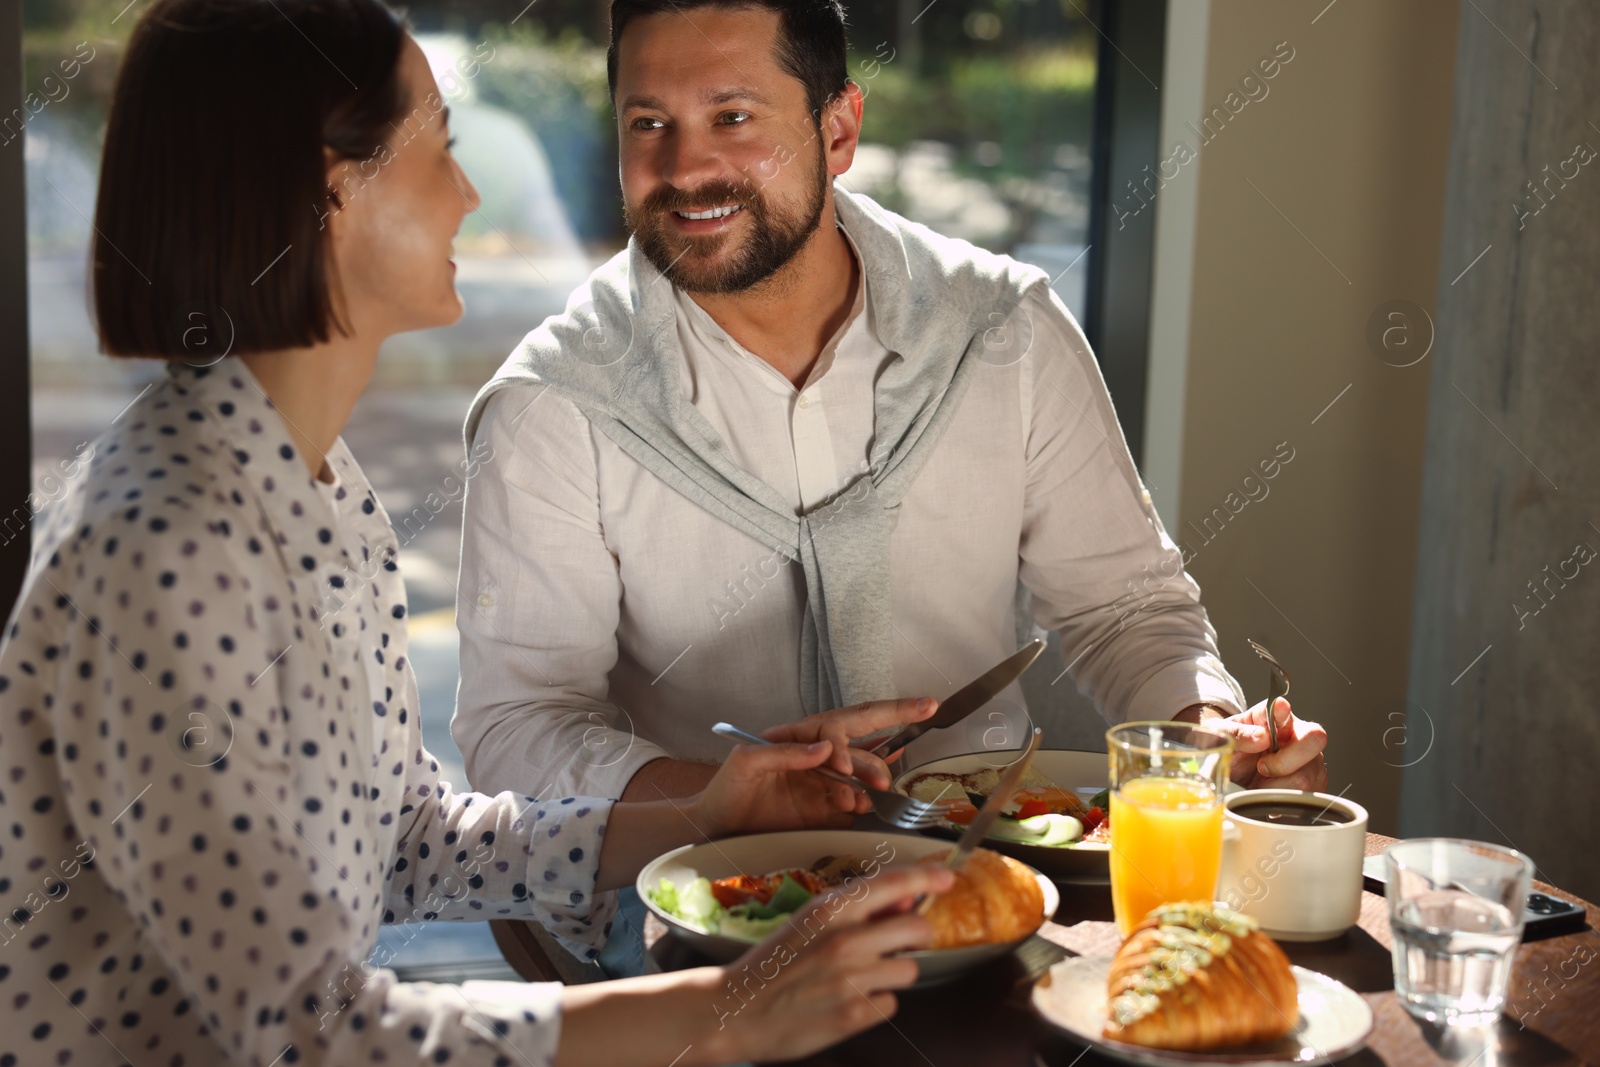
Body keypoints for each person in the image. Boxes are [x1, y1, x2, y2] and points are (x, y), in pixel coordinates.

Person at [0, 2, 960, 1065]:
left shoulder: (309, 482)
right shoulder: (170, 545)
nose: (468, 192)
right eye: (442, 147)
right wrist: (722, 1009)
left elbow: (404, 841)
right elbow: (302, 1033)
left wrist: (706, 809)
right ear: (331, 190)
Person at [453, 0, 1328, 975]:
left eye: (732, 118)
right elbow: (518, 722)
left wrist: (1207, 735)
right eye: (646, 123)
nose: (685, 167)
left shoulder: (1005, 332)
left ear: (838, 129)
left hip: (993, 900)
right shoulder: (554, 406)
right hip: (708, 934)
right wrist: (719, 795)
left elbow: (1123, 608)